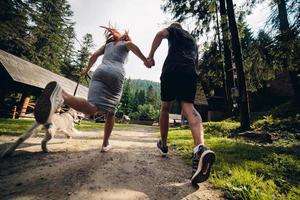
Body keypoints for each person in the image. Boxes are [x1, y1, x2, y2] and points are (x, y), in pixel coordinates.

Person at [34, 26, 153, 152]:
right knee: (111, 111)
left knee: (91, 107)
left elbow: (94, 55)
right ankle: (105, 144)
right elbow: (132, 46)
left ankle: (61, 94)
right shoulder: (125, 43)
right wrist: (145, 60)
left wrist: (86, 70)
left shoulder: (107, 46)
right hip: (116, 73)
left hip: (99, 72)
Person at [147, 22, 215, 184]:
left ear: (174, 27)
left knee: (165, 108)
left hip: (171, 70)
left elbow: (159, 34)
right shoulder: (191, 39)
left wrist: (150, 56)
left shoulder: (174, 30)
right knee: (189, 108)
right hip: (189, 72)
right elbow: (196, 61)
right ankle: (200, 148)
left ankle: (163, 144)